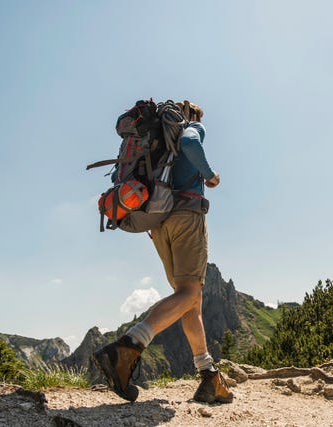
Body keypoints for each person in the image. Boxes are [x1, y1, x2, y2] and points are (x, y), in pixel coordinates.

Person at [92, 100, 233, 404]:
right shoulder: (190, 125)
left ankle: (209, 377)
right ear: (191, 112)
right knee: (189, 293)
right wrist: (211, 175)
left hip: (158, 222)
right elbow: (191, 142)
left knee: (188, 300)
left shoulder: (155, 140)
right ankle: (126, 348)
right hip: (186, 215)